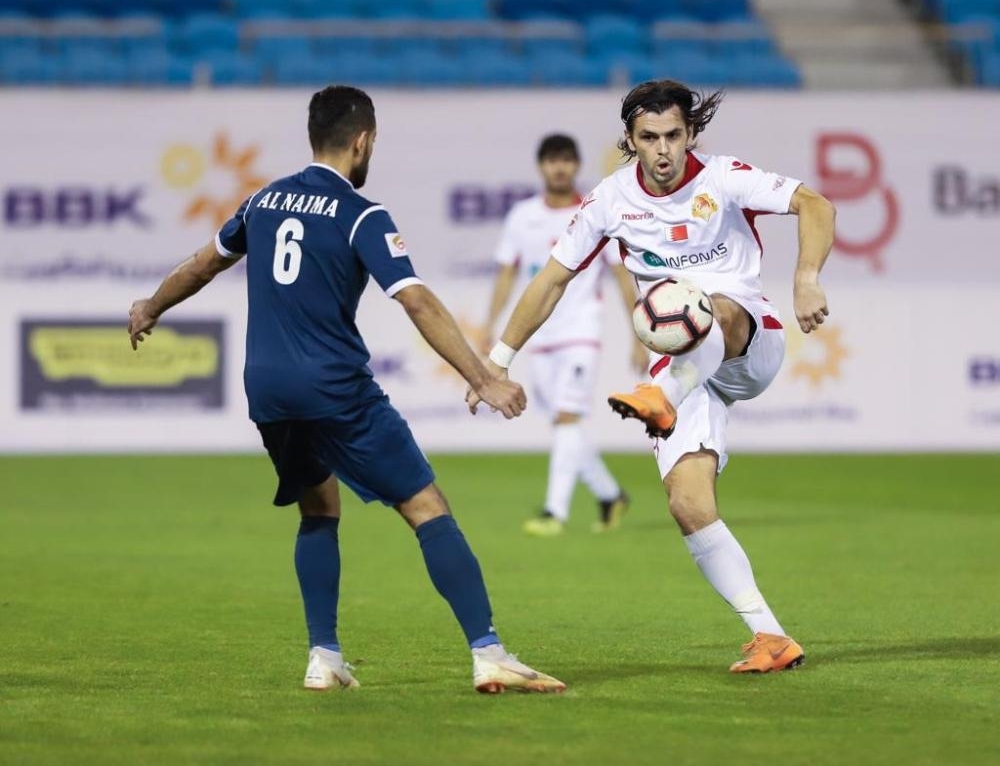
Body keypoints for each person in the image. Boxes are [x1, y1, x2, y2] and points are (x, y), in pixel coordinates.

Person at [127, 85, 565, 695]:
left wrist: (150, 305)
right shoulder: (362, 213)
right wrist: (484, 377)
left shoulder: (261, 201)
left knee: (318, 509)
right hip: (334, 387)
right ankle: (489, 652)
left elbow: (203, 265)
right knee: (427, 507)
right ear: (363, 140)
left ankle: (324, 657)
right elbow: (414, 299)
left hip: (268, 390)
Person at [469, 79, 836, 674]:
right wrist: (498, 359)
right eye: (649, 138)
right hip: (684, 365)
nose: (663, 150)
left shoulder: (723, 177)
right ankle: (771, 636)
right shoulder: (610, 201)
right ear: (630, 141)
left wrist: (806, 278)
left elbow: (816, 204)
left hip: (748, 341)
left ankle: (661, 396)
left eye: (673, 135)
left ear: (690, 134)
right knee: (688, 504)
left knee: (710, 305)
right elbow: (550, 280)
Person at [481, 134, 644, 537]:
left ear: (576, 165)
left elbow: (622, 277)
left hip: (580, 333)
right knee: (564, 426)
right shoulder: (522, 216)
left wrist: (639, 334)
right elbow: (507, 272)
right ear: (541, 166)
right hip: (539, 336)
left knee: (568, 419)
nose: (560, 168)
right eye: (553, 160)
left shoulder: (596, 212)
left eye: (567, 160)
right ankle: (610, 496)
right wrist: (491, 323)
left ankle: (555, 512)